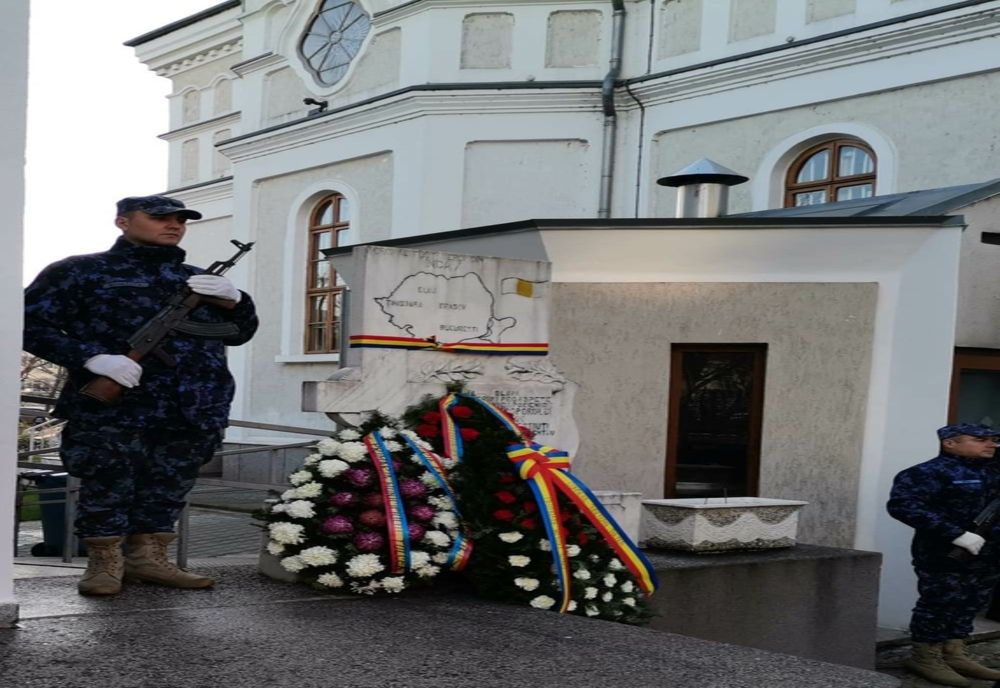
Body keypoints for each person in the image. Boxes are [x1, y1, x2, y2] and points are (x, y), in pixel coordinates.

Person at [23, 195, 258, 597]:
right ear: (123, 221)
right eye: (159, 217)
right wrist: (92, 358)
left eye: (181, 219)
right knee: (106, 482)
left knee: (169, 484)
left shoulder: (199, 280)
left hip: (194, 406)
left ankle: (149, 559)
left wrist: (237, 302)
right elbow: (26, 322)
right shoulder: (79, 272)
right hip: (116, 407)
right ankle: (104, 563)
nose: (174, 224)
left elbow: (240, 333)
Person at [887, 423, 1000, 686]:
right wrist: (956, 534)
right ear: (950, 442)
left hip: (989, 552)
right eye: (980, 439)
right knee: (939, 602)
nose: (990, 444)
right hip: (945, 552)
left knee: (971, 601)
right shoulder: (927, 472)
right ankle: (925, 656)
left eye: (993, 440)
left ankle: (954, 651)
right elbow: (903, 506)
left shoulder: (993, 469)